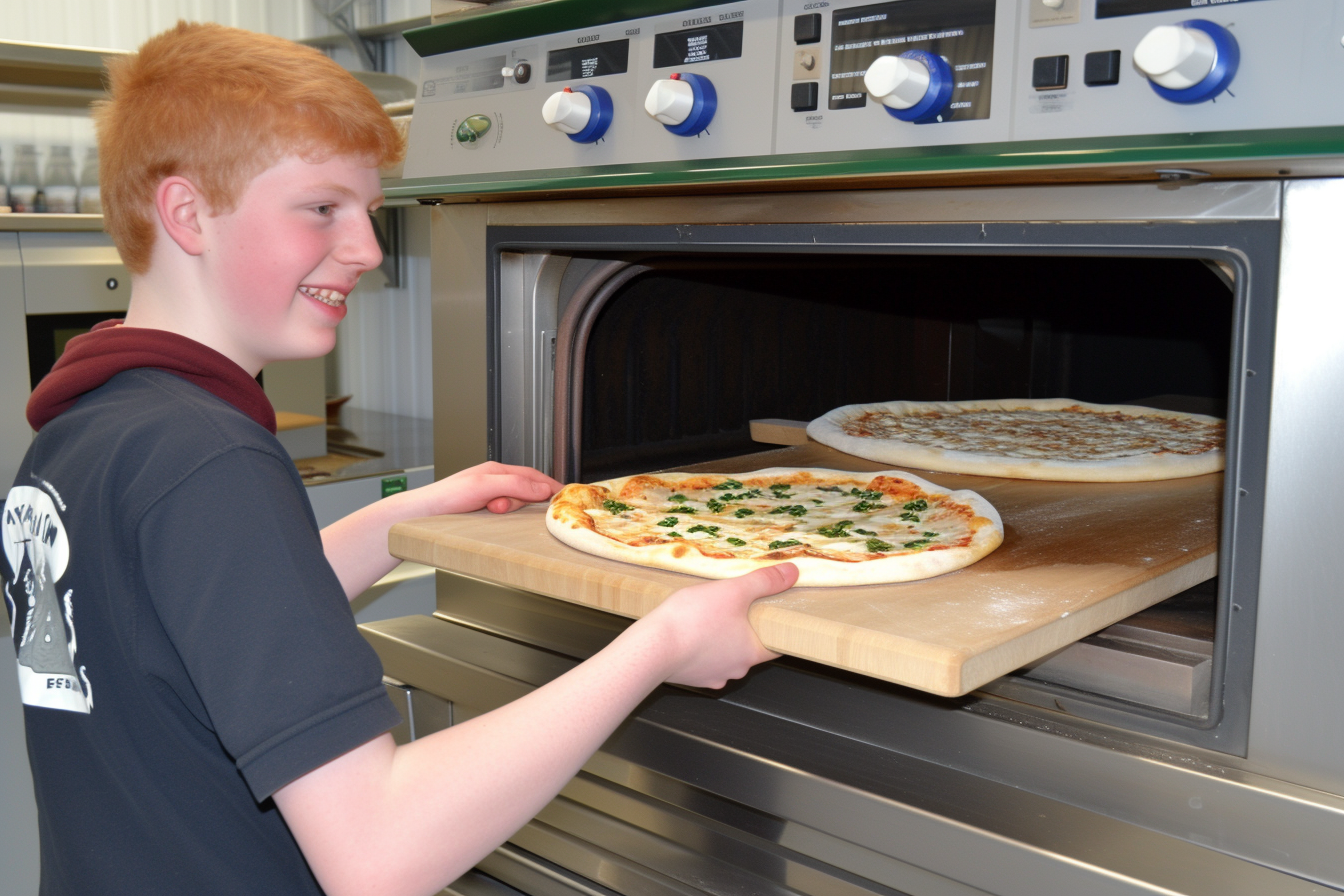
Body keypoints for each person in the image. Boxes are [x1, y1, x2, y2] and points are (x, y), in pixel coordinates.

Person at [0, 21, 797, 896]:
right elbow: (376, 854)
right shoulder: (210, 459)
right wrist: (659, 644)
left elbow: (188, 633)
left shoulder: (86, 426)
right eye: (321, 208)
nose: (369, 250)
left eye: (369, 212)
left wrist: (394, 521)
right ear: (187, 213)